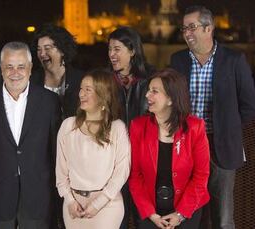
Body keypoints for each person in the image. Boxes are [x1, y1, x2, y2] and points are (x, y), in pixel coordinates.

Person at [170, 5, 255, 229]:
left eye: (192, 27)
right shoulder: (177, 60)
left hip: (223, 146)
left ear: (209, 28)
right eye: (184, 28)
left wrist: (228, 128)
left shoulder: (234, 60)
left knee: (223, 218)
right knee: (191, 213)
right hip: (188, 145)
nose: (187, 33)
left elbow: (249, 105)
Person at [0, 41, 61, 229]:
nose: (15, 72)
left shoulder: (49, 102)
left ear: (30, 68)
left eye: (21, 66)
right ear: (1, 69)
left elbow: (54, 151)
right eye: (9, 67)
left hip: (37, 195)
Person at [129, 68, 210, 228]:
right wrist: (150, 213)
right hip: (150, 211)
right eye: (148, 90)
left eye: (154, 91)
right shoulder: (138, 126)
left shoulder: (195, 127)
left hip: (187, 209)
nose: (147, 95)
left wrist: (180, 214)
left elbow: (201, 176)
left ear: (171, 99)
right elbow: (135, 176)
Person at [56, 69, 131, 229]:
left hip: (107, 207)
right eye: (81, 89)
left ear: (103, 95)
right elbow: (61, 173)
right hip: (73, 206)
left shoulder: (117, 128)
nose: (81, 94)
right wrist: (69, 201)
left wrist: (98, 204)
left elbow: (121, 172)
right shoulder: (68, 125)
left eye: (88, 90)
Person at [108, 26, 154, 228]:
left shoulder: (150, 81)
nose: (111, 54)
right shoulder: (106, 82)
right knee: (116, 219)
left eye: (117, 49)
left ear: (132, 50)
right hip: (113, 162)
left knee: (144, 218)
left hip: (143, 162)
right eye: (109, 49)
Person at [31, 24, 83, 120]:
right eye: (39, 49)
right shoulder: (32, 81)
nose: (42, 54)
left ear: (62, 50)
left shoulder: (81, 80)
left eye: (47, 48)